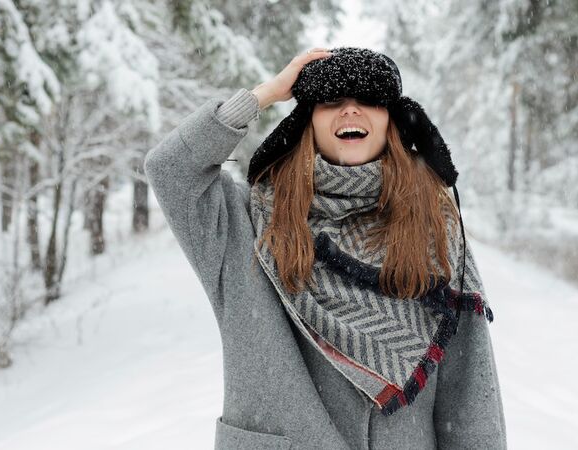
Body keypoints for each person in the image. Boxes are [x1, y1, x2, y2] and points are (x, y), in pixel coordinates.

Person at [143, 46, 507, 450]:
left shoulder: (434, 226)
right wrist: (264, 95)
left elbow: (469, 392)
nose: (350, 111)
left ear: (392, 121)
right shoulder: (248, 224)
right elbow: (171, 170)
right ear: (307, 122)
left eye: (368, 99)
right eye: (331, 100)